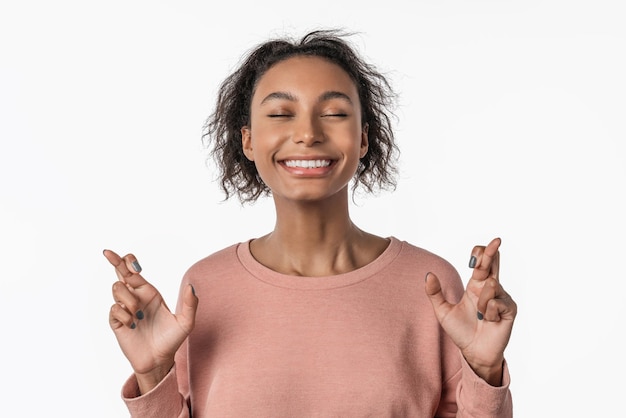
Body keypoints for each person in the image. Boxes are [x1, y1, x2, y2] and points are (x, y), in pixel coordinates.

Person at [104, 29, 516, 417]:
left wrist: (485, 370)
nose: (307, 133)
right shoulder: (205, 287)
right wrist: (154, 375)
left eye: (334, 112)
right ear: (248, 140)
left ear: (363, 138)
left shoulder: (430, 284)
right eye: (282, 113)